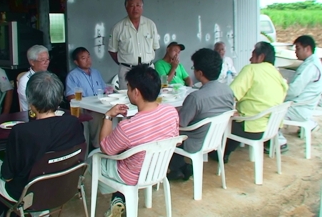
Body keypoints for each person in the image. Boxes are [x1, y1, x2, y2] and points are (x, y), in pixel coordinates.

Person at [0, 71, 85, 216]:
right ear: (59, 98)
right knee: (40, 169)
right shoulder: (73, 122)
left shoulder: (22, 132)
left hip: (25, 193)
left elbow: (7, 176)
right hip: (64, 188)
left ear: (31, 102)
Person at [98, 65, 179, 216]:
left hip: (132, 175)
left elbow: (106, 148)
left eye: (128, 88)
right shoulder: (171, 112)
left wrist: (108, 116)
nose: (127, 92)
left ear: (136, 93)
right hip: (158, 169)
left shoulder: (128, 127)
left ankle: (117, 196)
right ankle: (118, 197)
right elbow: (176, 140)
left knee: (95, 160)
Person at [168, 48, 234, 179]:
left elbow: (180, 123)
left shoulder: (196, 97)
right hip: (214, 138)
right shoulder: (228, 91)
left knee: (164, 131)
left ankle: (176, 168)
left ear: (200, 73)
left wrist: (170, 113)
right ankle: (181, 168)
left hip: (194, 142)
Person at [223, 42, 288, 160]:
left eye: (252, 55)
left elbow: (229, 95)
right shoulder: (276, 73)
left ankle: (221, 154)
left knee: (220, 121)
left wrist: (232, 111)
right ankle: (226, 151)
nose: (250, 59)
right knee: (236, 118)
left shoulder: (251, 69)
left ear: (261, 57)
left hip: (253, 128)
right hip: (273, 127)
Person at [108, 0, 160, 89]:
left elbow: (154, 47)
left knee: (149, 98)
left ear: (142, 7)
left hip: (147, 69)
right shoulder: (118, 27)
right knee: (127, 100)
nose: (135, 9)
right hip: (127, 70)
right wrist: (126, 62)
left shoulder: (150, 25)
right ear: (126, 7)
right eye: (131, 5)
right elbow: (112, 50)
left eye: (138, 5)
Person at [279, 35, 322, 145]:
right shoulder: (314, 63)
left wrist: (279, 99)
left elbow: (294, 91)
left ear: (307, 49)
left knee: (270, 112)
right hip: (305, 106)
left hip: (299, 109)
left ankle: (279, 141)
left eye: (298, 48)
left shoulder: (310, 66)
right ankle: (310, 124)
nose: (295, 52)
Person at [65, 47, 106, 149]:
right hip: (85, 108)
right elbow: (70, 96)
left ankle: (109, 144)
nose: (88, 60)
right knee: (97, 115)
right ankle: (98, 146)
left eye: (89, 56)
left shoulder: (96, 72)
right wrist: (87, 104)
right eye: (83, 58)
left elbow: (104, 89)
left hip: (99, 105)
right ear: (76, 62)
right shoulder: (73, 75)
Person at [17, 45, 50, 111]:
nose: (47, 63)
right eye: (42, 60)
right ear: (32, 62)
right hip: (32, 115)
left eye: (48, 59)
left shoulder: (49, 76)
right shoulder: (25, 80)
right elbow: (36, 104)